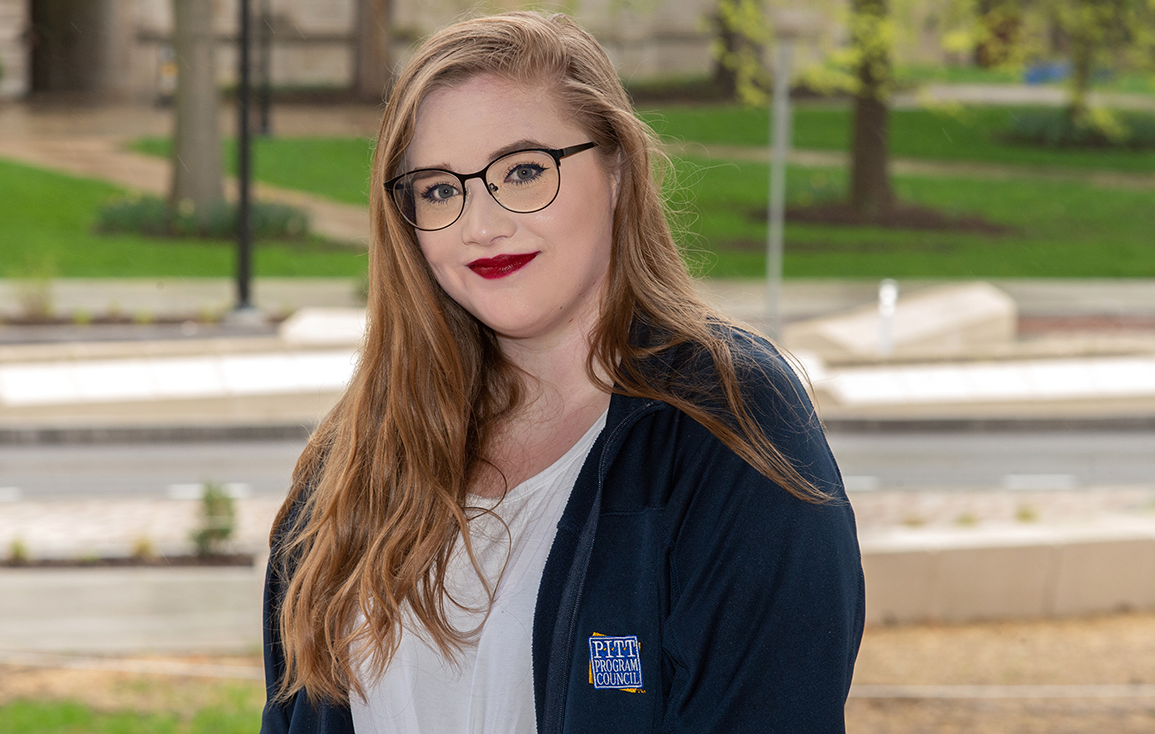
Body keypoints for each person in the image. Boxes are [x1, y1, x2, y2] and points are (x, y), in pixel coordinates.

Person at [261, 11, 863, 734]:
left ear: (616, 170)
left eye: (522, 172)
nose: (480, 224)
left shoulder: (729, 420)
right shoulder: (357, 457)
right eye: (440, 189)